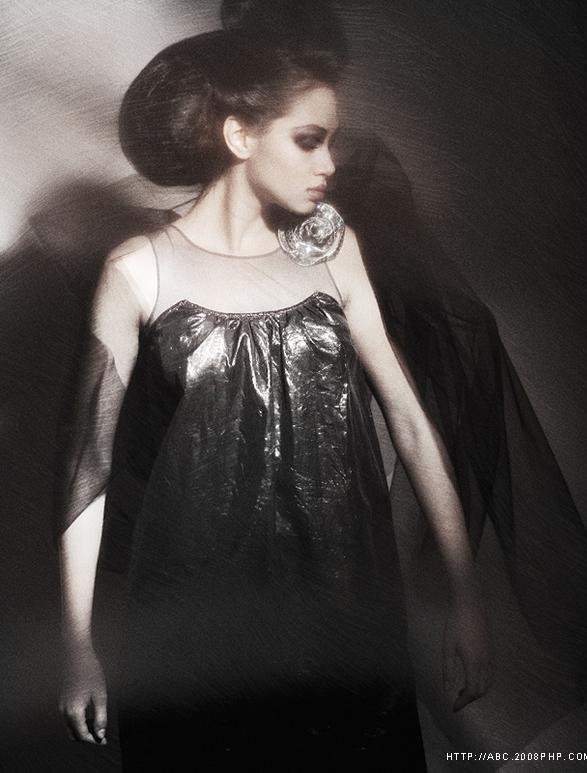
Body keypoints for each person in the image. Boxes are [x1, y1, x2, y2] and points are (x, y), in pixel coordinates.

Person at [55, 9, 495, 772]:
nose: (329, 163)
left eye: (332, 140)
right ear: (239, 135)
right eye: (309, 139)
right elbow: (87, 467)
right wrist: (77, 644)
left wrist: (465, 595)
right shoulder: (139, 268)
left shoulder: (332, 249)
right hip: (197, 626)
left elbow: (411, 422)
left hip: (345, 614)